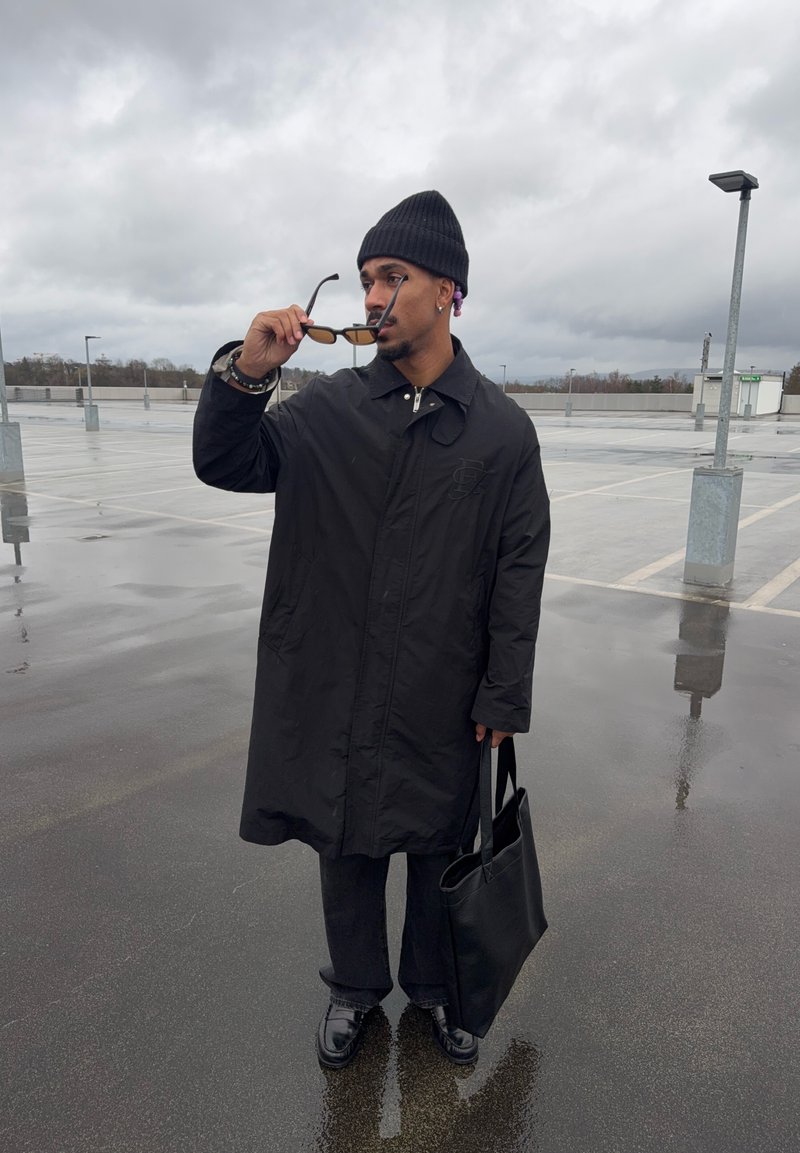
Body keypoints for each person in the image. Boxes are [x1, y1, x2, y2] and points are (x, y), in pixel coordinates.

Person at [193, 190, 550, 1069]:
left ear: (449, 290)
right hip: (341, 677)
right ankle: (354, 987)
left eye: (394, 276)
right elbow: (226, 460)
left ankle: (434, 987)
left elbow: (519, 567)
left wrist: (504, 690)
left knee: (437, 843)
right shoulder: (329, 409)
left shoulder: (501, 432)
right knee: (345, 839)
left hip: (442, 684)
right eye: (365, 280)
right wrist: (248, 372)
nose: (375, 297)